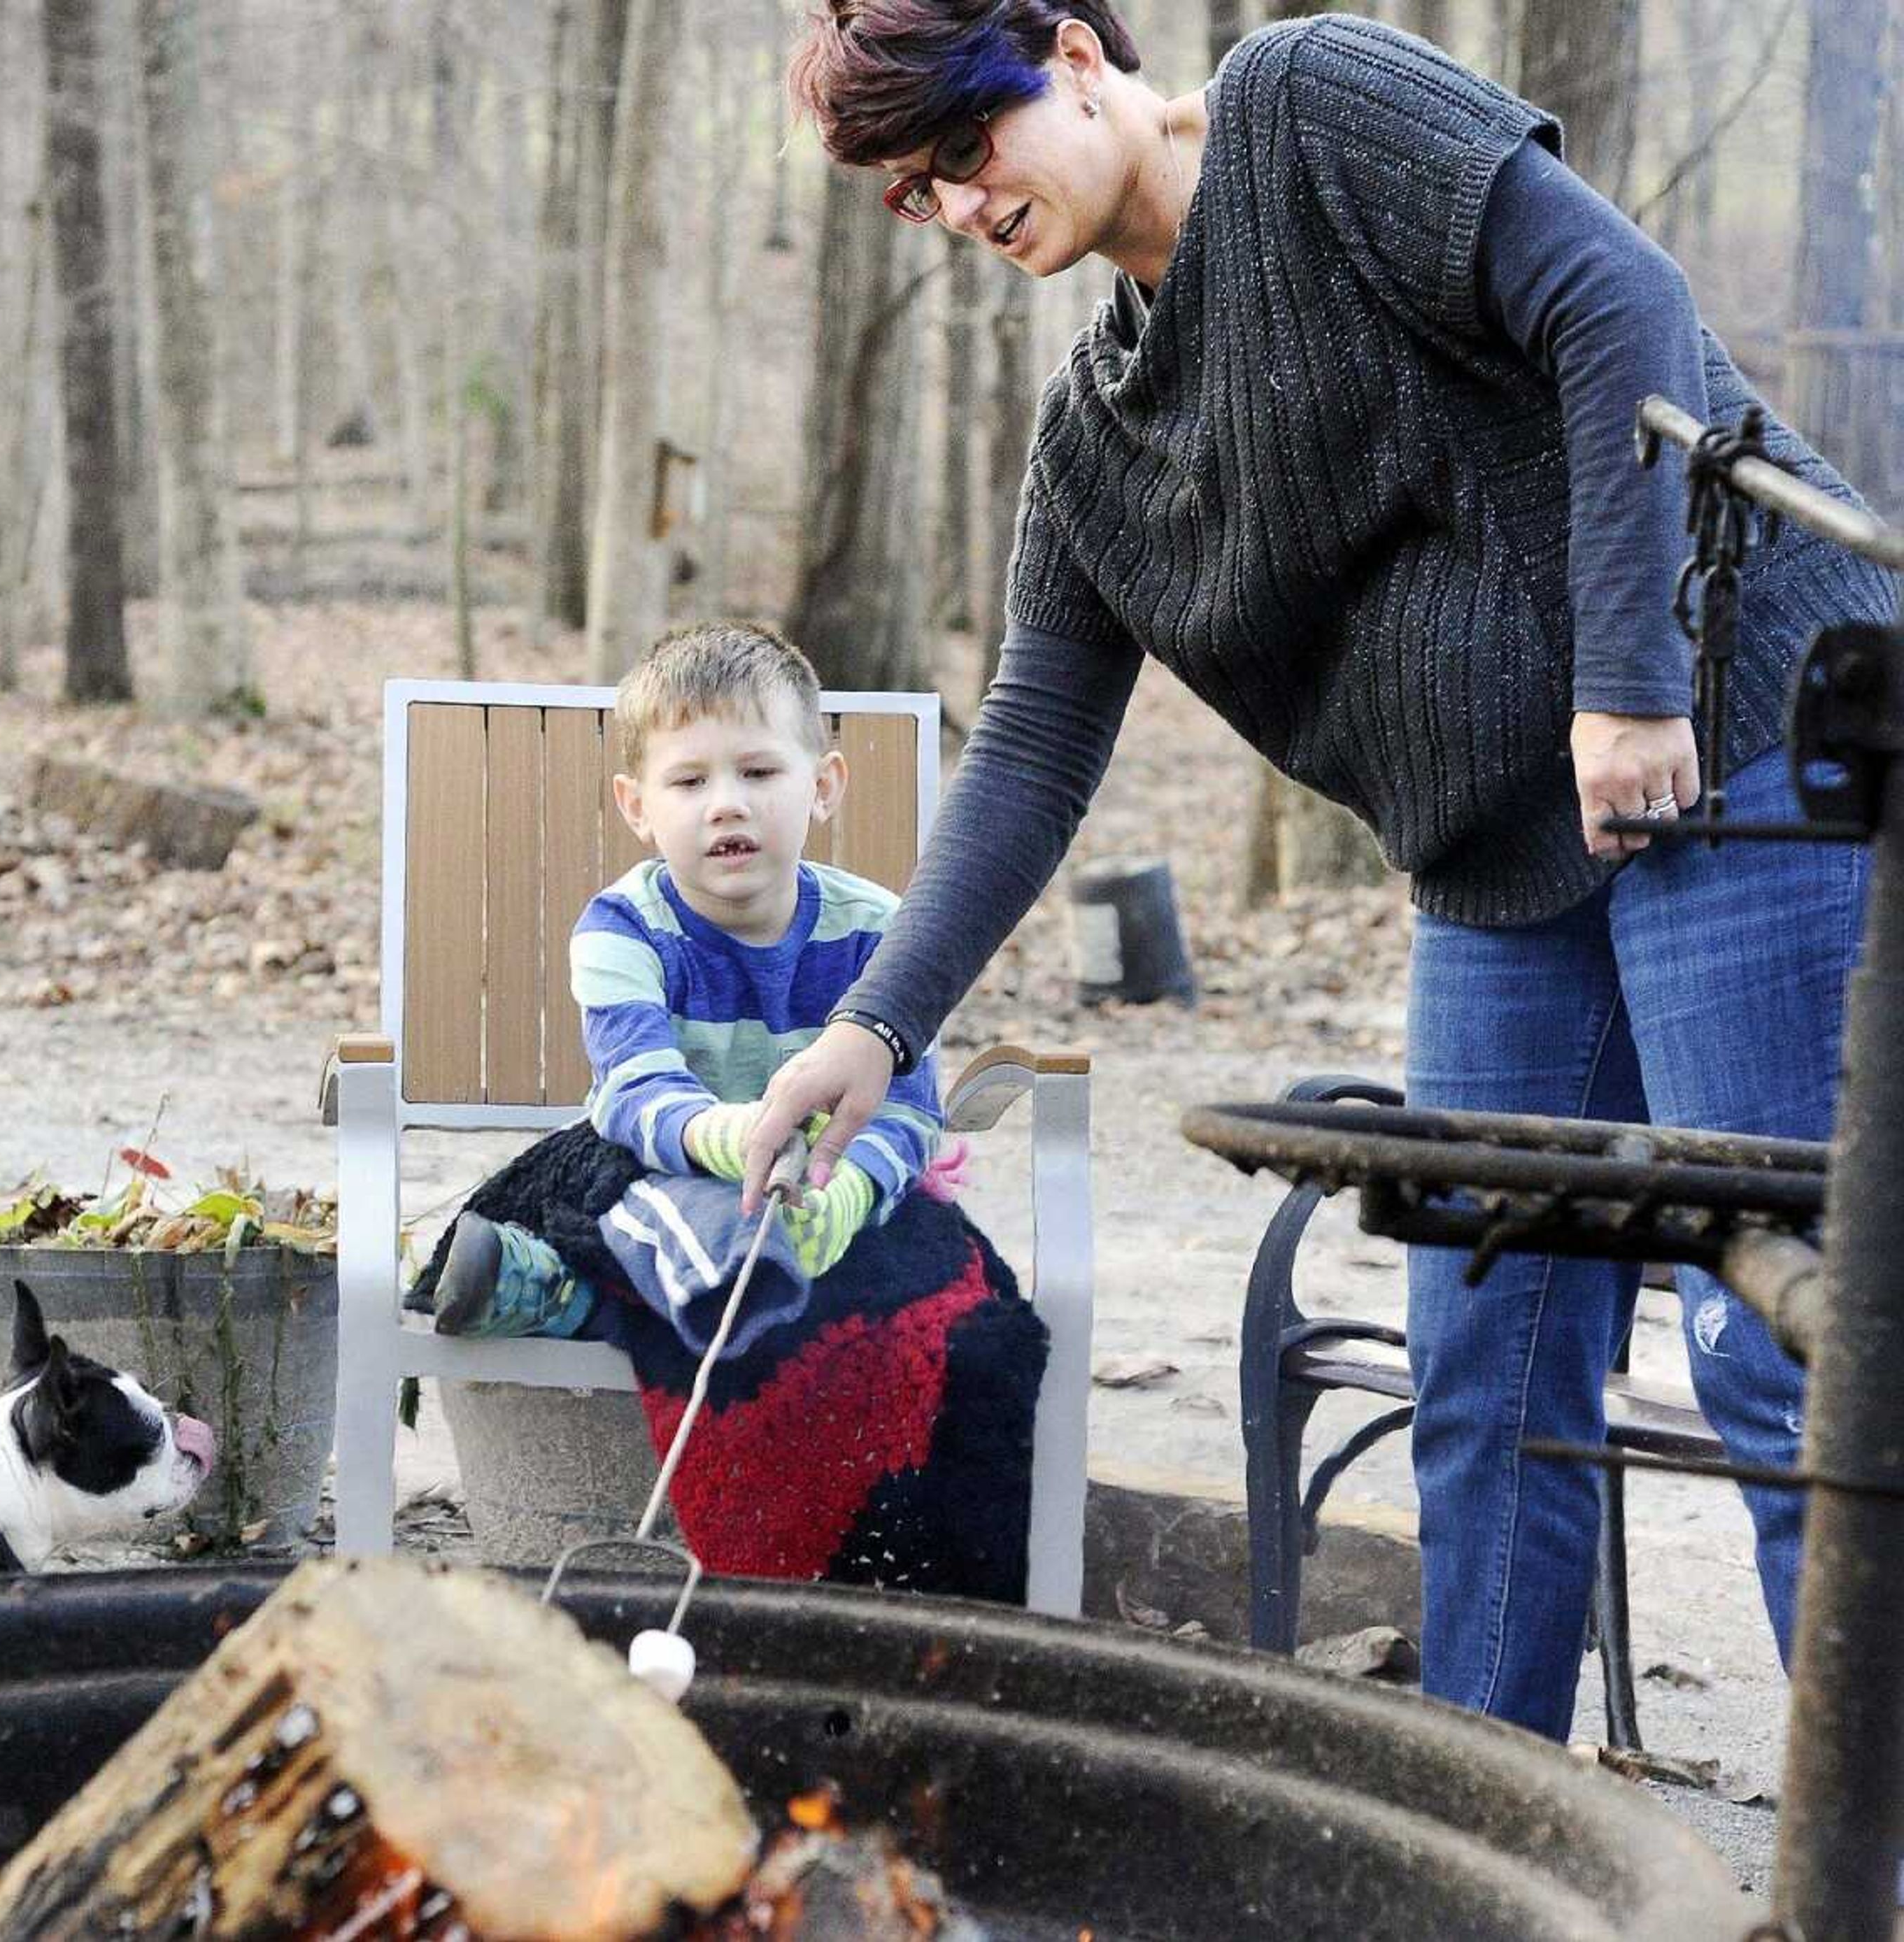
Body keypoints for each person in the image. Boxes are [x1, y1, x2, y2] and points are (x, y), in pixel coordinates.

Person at [750, 1, 1891, 1739]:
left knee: (1781, 1338)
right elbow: (1035, 748)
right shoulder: (1093, 442)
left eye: (962, 150)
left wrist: (1628, 678)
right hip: (1501, 859)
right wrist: (871, 1028)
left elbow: (1619, 307)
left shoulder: (1307, 107)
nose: (959, 209)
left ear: (1069, 57)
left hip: (1735, 739)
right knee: (1481, 1357)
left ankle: (1857, 1863)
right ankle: (1491, 1815)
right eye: (914, 196)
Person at [430, 622, 950, 1351]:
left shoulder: (882, 933)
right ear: (637, 805)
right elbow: (636, 1093)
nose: (727, 804)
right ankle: (701, 1308)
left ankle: (567, 1296)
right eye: (689, 780)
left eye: (760, 773)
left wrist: (852, 1191)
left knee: (943, 1266)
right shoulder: (624, 927)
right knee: (687, 1216)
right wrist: (734, 1139)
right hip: (665, 1169)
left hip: (827, 1186)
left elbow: (910, 1106)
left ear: (823, 786)